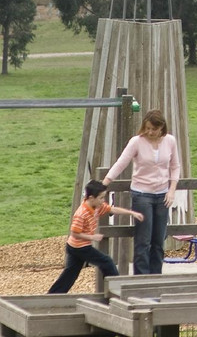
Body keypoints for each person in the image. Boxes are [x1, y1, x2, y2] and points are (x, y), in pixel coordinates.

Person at [103, 109, 180, 275]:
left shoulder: (170, 141)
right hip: (142, 194)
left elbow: (175, 166)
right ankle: (141, 279)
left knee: (159, 240)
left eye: (154, 129)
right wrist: (105, 183)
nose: (150, 132)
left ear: (162, 128)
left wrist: (172, 190)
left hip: (162, 195)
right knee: (143, 241)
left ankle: (155, 278)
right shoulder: (136, 142)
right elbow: (121, 163)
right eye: (147, 128)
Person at [49, 179, 143, 294]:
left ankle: (53, 295)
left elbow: (112, 209)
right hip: (79, 247)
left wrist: (132, 213)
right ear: (91, 198)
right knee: (106, 262)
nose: (103, 201)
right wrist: (92, 238)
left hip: (75, 246)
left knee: (70, 274)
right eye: (101, 198)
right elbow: (74, 232)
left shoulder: (97, 207)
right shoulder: (81, 213)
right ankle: (117, 290)